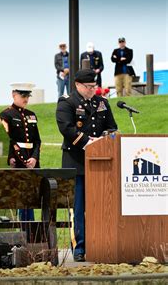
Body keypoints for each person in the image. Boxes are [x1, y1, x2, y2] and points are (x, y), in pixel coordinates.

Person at [56, 69, 118, 262]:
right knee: (78, 206)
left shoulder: (102, 103)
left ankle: (99, 243)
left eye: (94, 86)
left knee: (100, 205)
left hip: (101, 164)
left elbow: (112, 127)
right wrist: (87, 143)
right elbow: (66, 128)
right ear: (78, 85)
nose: (93, 89)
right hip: (76, 162)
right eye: (90, 87)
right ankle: (79, 247)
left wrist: (103, 140)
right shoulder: (67, 102)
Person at [0, 83, 41, 222]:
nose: (26, 99)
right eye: (23, 96)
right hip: (17, 161)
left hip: (32, 161)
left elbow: (37, 141)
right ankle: (24, 230)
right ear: (14, 95)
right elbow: (8, 140)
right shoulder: (6, 114)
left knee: (32, 196)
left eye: (27, 96)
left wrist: (34, 158)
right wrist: (20, 159)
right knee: (21, 197)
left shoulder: (31, 115)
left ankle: (32, 232)